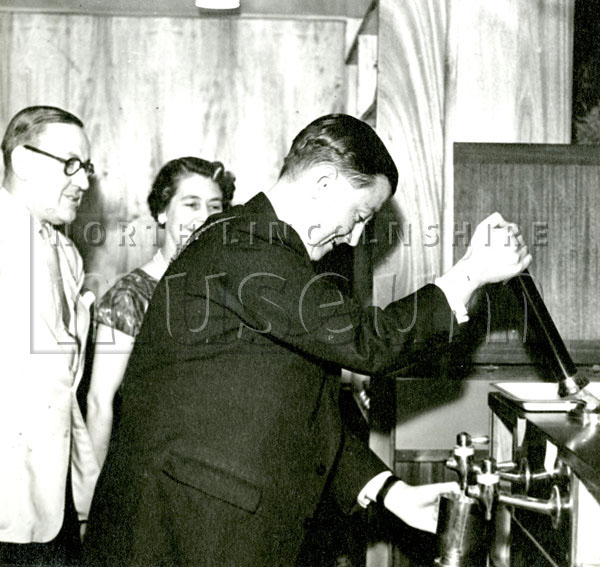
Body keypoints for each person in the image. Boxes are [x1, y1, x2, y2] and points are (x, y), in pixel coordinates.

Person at [83, 114, 531, 566]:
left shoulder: (269, 252)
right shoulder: (246, 245)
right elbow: (369, 342)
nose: (354, 236)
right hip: (178, 534)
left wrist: (392, 493)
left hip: (204, 525)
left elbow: (306, 416)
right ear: (322, 182)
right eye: (359, 216)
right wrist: (470, 272)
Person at [87, 157, 236, 469]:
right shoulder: (130, 295)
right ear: (162, 212)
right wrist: (93, 503)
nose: (205, 217)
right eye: (191, 204)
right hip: (148, 472)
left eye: (215, 206)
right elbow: (99, 403)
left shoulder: (229, 292)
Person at [0, 106, 99, 565]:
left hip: (50, 495)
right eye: (71, 165)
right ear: (22, 161)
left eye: (88, 168)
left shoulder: (66, 253)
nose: (83, 181)